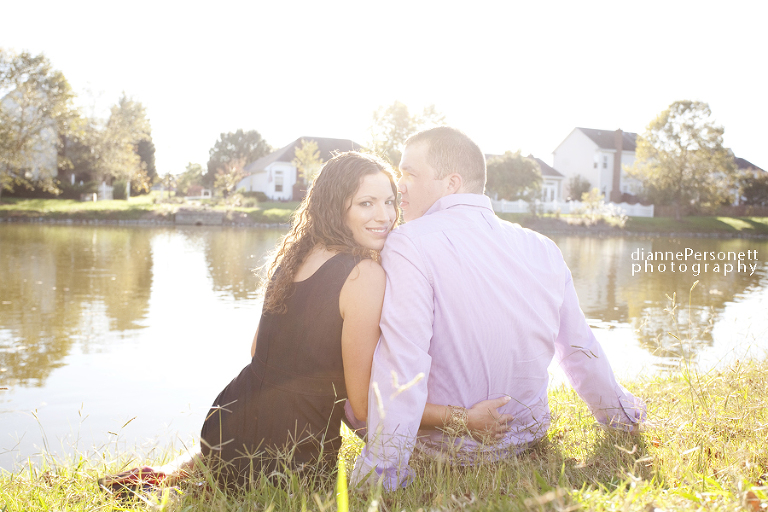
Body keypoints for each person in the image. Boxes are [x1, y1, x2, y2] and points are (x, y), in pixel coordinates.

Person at [99, 151, 508, 495]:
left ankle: (167, 476)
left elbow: (258, 353)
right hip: (292, 452)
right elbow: (365, 405)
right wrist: (464, 419)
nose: (384, 216)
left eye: (389, 202)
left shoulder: (295, 256)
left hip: (227, 419)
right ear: (337, 207)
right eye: (367, 203)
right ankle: (177, 479)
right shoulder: (364, 276)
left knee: (218, 468)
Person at [351, 127, 646, 490]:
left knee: (346, 391)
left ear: (451, 182)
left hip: (450, 446)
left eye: (409, 173)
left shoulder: (408, 243)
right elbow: (579, 349)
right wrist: (621, 417)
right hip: (528, 436)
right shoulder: (542, 247)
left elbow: (403, 360)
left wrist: (383, 470)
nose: (400, 186)